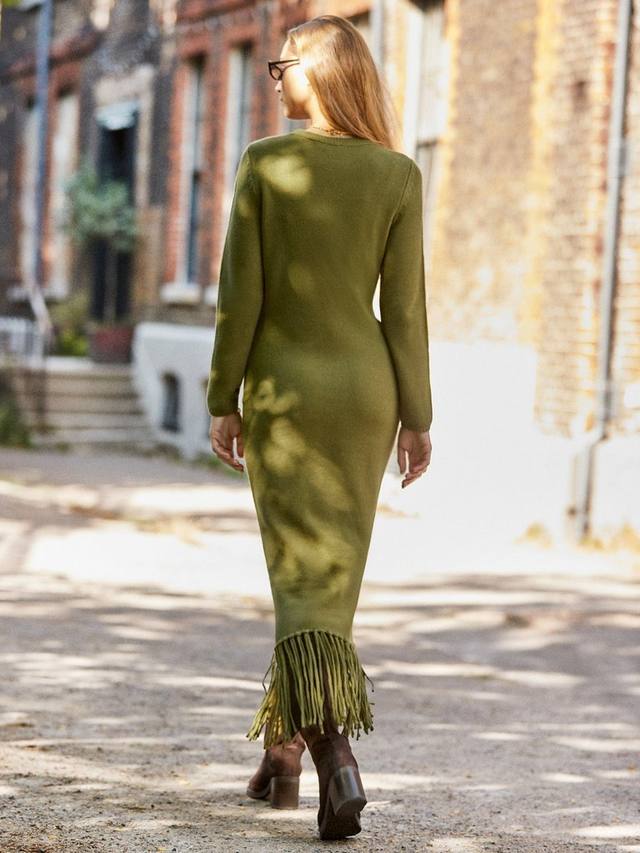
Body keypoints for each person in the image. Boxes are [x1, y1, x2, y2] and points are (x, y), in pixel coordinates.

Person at [206, 13, 433, 841]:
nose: (275, 79)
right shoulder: (397, 175)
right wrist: (417, 416)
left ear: (321, 73)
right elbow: (404, 310)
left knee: (300, 579)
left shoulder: (266, 164)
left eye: (283, 66)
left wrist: (222, 395)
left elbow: (241, 295)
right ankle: (284, 756)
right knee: (324, 577)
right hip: (366, 396)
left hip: (287, 392)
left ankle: (336, 751)